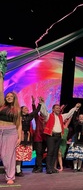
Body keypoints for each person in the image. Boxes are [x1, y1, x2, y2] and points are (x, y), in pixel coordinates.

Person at [40, 99, 81, 174]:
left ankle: (53, 168)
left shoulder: (61, 116)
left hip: (58, 136)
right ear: (53, 109)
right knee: (50, 152)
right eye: (56, 108)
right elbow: (43, 112)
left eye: (59, 108)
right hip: (51, 136)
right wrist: (42, 103)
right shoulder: (49, 116)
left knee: (55, 153)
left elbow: (69, 114)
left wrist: (75, 107)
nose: (58, 109)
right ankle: (48, 168)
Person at [0, 52, 22, 184]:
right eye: (7, 96)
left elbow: (18, 124)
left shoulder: (17, 110)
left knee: (7, 156)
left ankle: (10, 177)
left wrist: (19, 137)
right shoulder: (1, 105)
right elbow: (0, 89)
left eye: (11, 96)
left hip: (10, 132)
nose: (8, 97)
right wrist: (1, 75)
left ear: (14, 98)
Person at [15, 96, 42, 177]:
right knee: (18, 154)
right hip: (18, 135)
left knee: (22, 154)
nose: (27, 109)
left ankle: (18, 169)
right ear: (21, 110)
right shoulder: (17, 117)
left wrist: (38, 103)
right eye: (25, 108)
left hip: (26, 136)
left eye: (27, 109)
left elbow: (36, 111)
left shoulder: (29, 116)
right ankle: (17, 170)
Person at [66, 105, 83, 172]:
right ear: (78, 118)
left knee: (81, 155)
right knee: (76, 155)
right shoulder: (75, 123)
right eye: (80, 117)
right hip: (76, 140)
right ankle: (75, 167)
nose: (81, 118)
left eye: (82, 117)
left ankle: (79, 167)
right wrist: (76, 109)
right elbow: (74, 117)